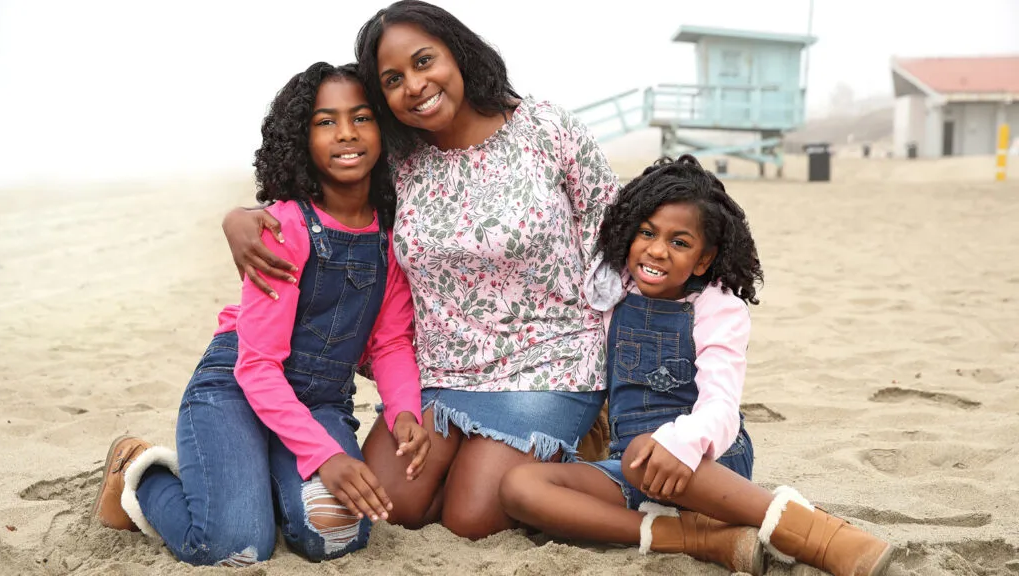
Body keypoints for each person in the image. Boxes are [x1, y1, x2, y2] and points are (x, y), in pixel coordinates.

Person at [220, 0, 618, 540]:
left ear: (457, 53)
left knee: (471, 517)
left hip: (551, 361)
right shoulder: (399, 160)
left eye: (424, 61)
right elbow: (322, 196)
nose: (414, 84)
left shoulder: (546, 129)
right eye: (392, 79)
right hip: (437, 373)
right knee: (392, 505)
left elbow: (616, 239)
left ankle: (574, 442)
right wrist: (242, 217)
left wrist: (630, 375)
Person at [90, 62, 428, 566]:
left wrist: (404, 410)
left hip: (319, 402)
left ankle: (256, 479)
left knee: (335, 533)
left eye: (362, 117)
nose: (346, 134)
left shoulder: (391, 235)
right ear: (301, 137)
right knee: (233, 546)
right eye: (325, 122)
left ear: (384, 127)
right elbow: (256, 367)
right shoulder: (284, 229)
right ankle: (140, 470)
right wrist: (325, 455)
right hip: (238, 389)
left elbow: (391, 342)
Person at [499, 156, 894, 576]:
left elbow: (721, 409)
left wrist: (680, 444)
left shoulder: (716, 307)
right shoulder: (612, 291)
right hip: (633, 468)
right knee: (520, 487)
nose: (656, 250)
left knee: (641, 451)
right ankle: (694, 537)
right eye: (647, 233)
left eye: (679, 242)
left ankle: (823, 535)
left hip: (710, 464)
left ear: (703, 261)